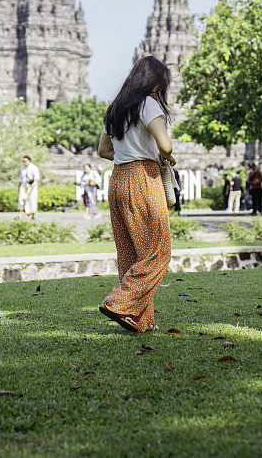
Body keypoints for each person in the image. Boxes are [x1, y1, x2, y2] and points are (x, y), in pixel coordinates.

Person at [97, 56, 175, 333]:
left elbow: (103, 151)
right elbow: (165, 145)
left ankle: (140, 319)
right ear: (154, 82)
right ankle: (120, 301)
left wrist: (127, 155)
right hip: (144, 177)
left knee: (131, 253)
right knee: (159, 251)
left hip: (118, 179)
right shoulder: (148, 104)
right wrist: (166, 157)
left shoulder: (116, 107)